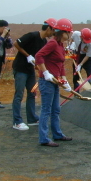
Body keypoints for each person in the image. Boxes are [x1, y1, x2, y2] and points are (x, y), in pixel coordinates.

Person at [11, 18, 56, 131]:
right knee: (19, 95)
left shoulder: (44, 41)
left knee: (32, 93)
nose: (53, 33)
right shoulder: (31, 36)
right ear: (48, 28)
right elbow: (16, 43)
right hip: (20, 68)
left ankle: (31, 118)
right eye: (53, 30)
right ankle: (17, 121)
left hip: (30, 70)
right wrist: (27, 56)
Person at [35, 18, 74, 147]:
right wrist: (45, 72)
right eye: (68, 32)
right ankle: (44, 138)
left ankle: (57, 134)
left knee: (56, 109)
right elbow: (38, 56)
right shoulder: (52, 43)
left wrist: (64, 80)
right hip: (47, 81)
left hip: (55, 81)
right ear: (62, 32)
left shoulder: (61, 45)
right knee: (46, 110)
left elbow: (61, 63)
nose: (70, 34)